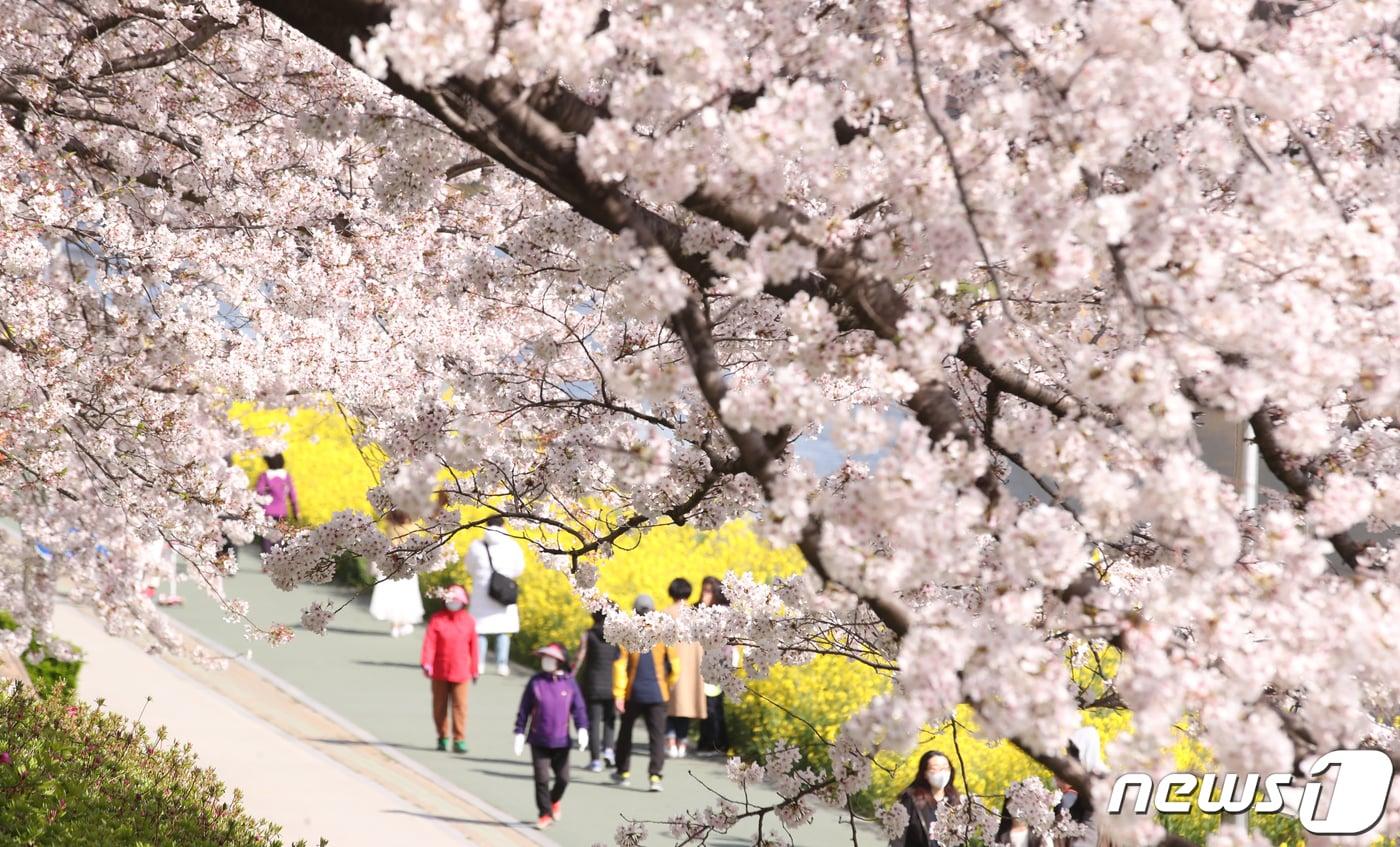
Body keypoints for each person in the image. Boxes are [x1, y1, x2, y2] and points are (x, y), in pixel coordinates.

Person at [513, 643, 588, 831]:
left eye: (551, 659)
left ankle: (553, 801)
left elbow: (578, 709)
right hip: (539, 740)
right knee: (542, 778)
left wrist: (582, 729)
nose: (546, 661)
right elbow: (524, 709)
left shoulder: (569, 683)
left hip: (561, 741)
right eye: (545, 658)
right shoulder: (536, 682)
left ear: (560, 661)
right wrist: (520, 732)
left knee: (563, 779)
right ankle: (544, 813)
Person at [611, 594, 677, 792]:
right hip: (658, 694)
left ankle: (623, 772)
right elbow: (676, 665)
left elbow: (620, 666)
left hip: (634, 692)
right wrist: (668, 684)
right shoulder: (662, 633)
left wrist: (618, 694)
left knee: (625, 733)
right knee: (657, 736)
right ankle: (655, 776)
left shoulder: (627, 633)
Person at [420, 584, 479, 753]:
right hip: (440, 670)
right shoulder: (437, 619)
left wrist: (475, 669)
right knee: (439, 705)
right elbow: (429, 643)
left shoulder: (469, 621)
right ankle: (442, 736)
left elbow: (474, 648)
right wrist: (427, 662)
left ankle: (459, 738)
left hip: (461, 672)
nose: (454, 603)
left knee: (460, 706)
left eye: (457, 600)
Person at [467, 515, 525, 676]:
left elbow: (469, 567)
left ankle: (479, 664)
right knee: (503, 629)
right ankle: (502, 665)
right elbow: (519, 569)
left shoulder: (476, 546)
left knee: (480, 629)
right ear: (503, 525)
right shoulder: (512, 546)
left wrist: (482, 578)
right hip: (504, 592)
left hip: (482, 591)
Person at [573, 608, 621, 771]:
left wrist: (571, 675)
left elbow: (580, 657)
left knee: (593, 722)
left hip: (592, 684)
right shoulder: (616, 637)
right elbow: (620, 660)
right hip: (612, 684)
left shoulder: (588, 634)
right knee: (609, 720)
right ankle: (608, 750)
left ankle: (595, 761)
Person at [663, 577, 705, 758]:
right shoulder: (696, 614)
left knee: (670, 705)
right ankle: (682, 742)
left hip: (672, 665)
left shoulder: (666, 613)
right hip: (693, 667)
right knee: (685, 704)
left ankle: (670, 741)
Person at [369, 509, 425, 637]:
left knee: (392, 595)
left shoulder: (390, 525)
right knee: (406, 595)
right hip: (407, 564)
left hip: (390, 564)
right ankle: (403, 623)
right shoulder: (413, 526)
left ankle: (394, 625)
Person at [1051, 726, 1111, 847]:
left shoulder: (1097, 778)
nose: (1071, 756)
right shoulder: (1091, 776)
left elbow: (1091, 823)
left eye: (1074, 751)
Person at [695, 576, 732, 756]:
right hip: (707, 662)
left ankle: (715, 743)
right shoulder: (702, 610)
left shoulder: (722, 612)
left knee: (713, 704)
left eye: (709, 591)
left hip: (719, 663)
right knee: (709, 703)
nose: (704, 594)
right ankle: (710, 742)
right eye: (703, 590)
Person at [897, 750, 960, 847]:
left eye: (946, 768)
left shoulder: (956, 801)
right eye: (935, 768)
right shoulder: (911, 799)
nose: (942, 773)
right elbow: (899, 838)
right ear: (925, 773)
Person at [254, 453, 299, 554]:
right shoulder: (286, 476)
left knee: (266, 537)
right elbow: (292, 495)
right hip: (281, 511)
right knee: (280, 536)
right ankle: (277, 559)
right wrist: (296, 512)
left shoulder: (264, 475)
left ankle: (266, 562)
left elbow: (259, 492)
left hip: (267, 511)